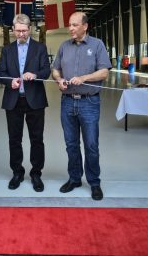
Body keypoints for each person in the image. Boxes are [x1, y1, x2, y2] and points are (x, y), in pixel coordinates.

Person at [52, 12, 112, 200]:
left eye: (75, 25)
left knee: (91, 145)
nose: (70, 28)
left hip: (89, 102)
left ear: (85, 26)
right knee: (71, 144)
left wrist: (84, 78)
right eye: (69, 25)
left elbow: (104, 73)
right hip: (68, 102)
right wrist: (59, 79)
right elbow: (55, 69)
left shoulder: (97, 45)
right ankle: (75, 178)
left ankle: (94, 182)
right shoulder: (64, 46)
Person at [0, 13, 51, 192]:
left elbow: (46, 71)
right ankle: (17, 173)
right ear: (13, 30)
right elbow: (1, 73)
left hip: (35, 100)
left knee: (37, 139)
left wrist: (35, 75)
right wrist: (9, 81)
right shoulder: (7, 50)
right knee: (14, 140)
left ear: (29, 29)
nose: (20, 34)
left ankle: (36, 173)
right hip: (13, 100)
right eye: (17, 31)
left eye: (24, 31)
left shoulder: (40, 48)